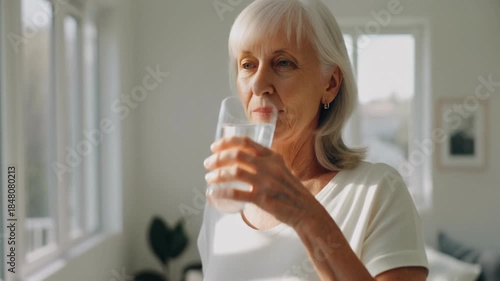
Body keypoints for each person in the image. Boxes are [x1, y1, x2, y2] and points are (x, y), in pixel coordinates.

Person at [198, 0, 428, 280]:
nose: (258, 84)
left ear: (330, 84)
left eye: (283, 63)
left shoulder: (378, 191)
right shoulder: (222, 207)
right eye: (248, 65)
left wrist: (307, 217)